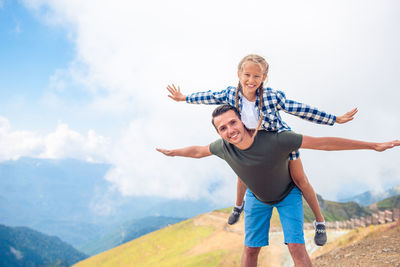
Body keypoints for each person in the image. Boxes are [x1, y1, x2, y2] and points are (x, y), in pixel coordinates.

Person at [157, 104, 399, 267]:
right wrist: (173, 152)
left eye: (233, 123)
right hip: (257, 199)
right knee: (250, 250)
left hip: (288, 196)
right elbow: (198, 151)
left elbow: (324, 143)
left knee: (296, 247)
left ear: (243, 120)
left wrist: (372, 145)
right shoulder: (223, 147)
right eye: (223, 128)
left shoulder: (277, 139)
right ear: (219, 133)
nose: (230, 130)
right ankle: (238, 207)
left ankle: (318, 222)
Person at [166, 54, 358, 246]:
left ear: (264, 77)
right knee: (243, 172)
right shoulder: (230, 94)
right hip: (249, 142)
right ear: (239, 74)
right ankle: (238, 206)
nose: (251, 80)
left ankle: (320, 221)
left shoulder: (271, 97)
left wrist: (333, 119)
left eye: (257, 76)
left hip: (276, 142)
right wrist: (184, 98)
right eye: (247, 75)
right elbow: (209, 96)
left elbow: (300, 109)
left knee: (300, 180)